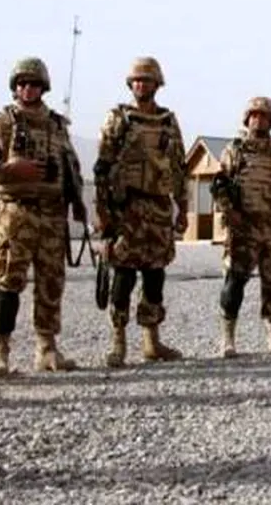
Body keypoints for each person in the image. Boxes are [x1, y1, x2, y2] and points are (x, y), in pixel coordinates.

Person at [0, 57, 87, 376]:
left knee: (51, 284)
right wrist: (11, 170)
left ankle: (47, 349)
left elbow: (71, 168)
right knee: (9, 282)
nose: (28, 89)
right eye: (22, 83)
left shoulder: (58, 126)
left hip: (53, 216)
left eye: (35, 84)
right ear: (15, 87)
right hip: (17, 214)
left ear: (44, 87)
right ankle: (1, 351)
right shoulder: (2, 123)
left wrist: (77, 201)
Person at [93, 57, 189, 366]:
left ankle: (152, 341)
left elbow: (178, 167)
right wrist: (102, 211)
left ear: (157, 84)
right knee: (123, 274)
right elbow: (102, 168)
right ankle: (118, 342)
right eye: (136, 80)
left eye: (146, 80)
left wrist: (183, 208)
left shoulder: (168, 121)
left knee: (155, 275)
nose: (141, 85)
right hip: (127, 208)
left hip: (159, 207)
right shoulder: (118, 119)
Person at [210, 97, 271, 356]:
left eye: (263, 116)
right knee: (235, 281)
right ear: (246, 120)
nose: (257, 120)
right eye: (253, 116)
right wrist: (230, 212)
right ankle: (227, 337)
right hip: (244, 229)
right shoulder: (235, 151)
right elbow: (219, 186)